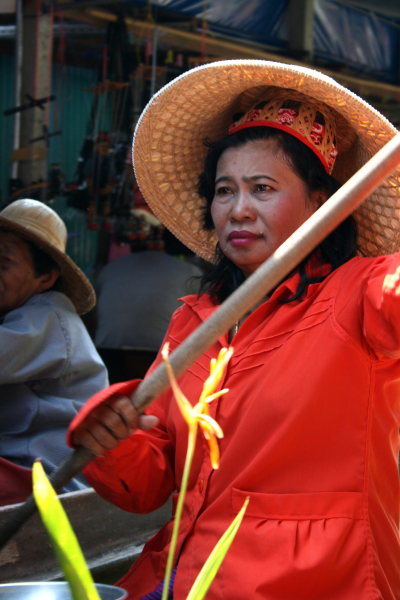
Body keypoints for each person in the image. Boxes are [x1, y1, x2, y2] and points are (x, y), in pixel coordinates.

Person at [68, 60, 400, 600]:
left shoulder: (361, 293)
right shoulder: (194, 318)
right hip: (184, 572)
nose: (238, 210)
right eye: (225, 191)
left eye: (262, 188)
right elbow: (148, 484)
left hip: (315, 582)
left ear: (321, 204)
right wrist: (114, 438)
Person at [0, 198, 108, 505]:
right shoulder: (19, 314)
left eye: (4, 261)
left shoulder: (49, 315)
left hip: (46, 477)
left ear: (45, 278)